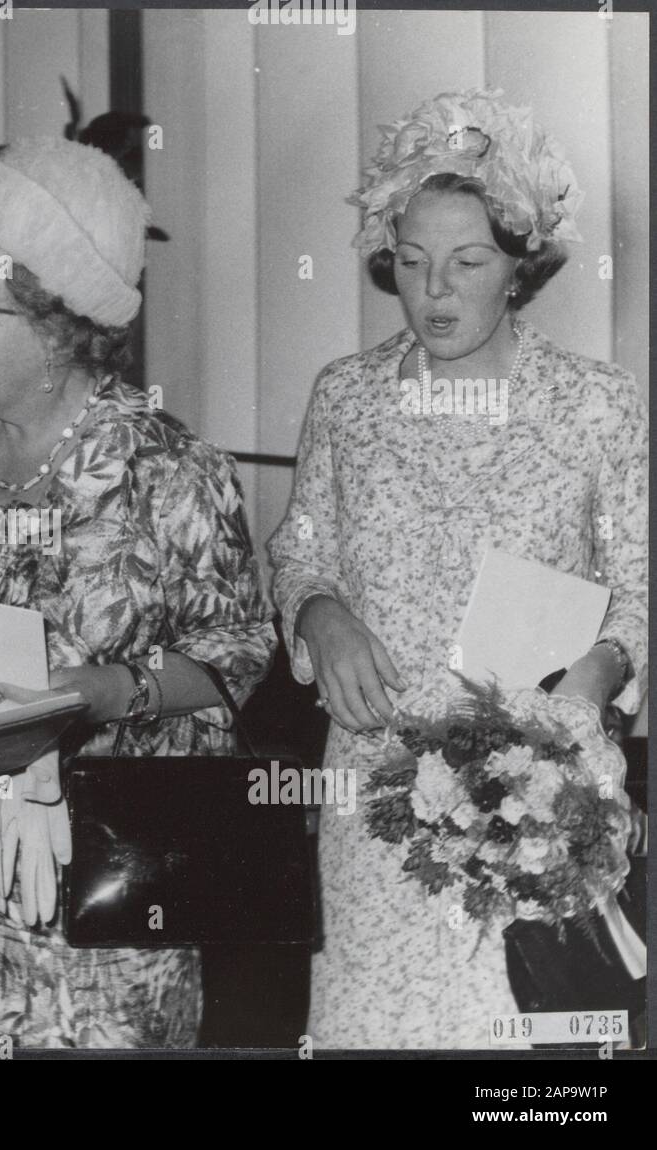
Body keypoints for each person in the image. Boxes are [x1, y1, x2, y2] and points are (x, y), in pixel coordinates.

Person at [0, 137, 277, 1048]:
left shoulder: (170, 471)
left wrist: (108, 693)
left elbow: (241, 645)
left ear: (62, 326)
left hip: (110, 932)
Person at [268, 89, 648, 1049]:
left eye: (468, 262)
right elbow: (299, 548)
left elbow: (638, 592)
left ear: (521, 266)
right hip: (373, 798)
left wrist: (587, 692)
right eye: (411, 262)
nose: (434, 292)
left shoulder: (596, 407)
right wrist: (317, 611)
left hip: (536, 796)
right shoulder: (346, 399)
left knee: (523, 1072)